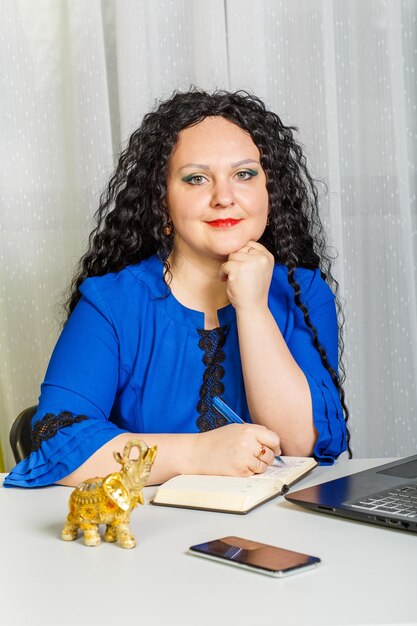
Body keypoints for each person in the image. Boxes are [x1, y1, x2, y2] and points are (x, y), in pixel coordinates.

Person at [5, 88, 350, 489]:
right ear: (162, 202)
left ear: (268, 191)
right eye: (196, 178)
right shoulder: (110, 303)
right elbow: (58, 444)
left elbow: (300, 443)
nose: (224, 197)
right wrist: (199, 453)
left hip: (281, 538)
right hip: (145, 539)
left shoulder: (303, 291)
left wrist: (254, 307)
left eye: (244, 174)